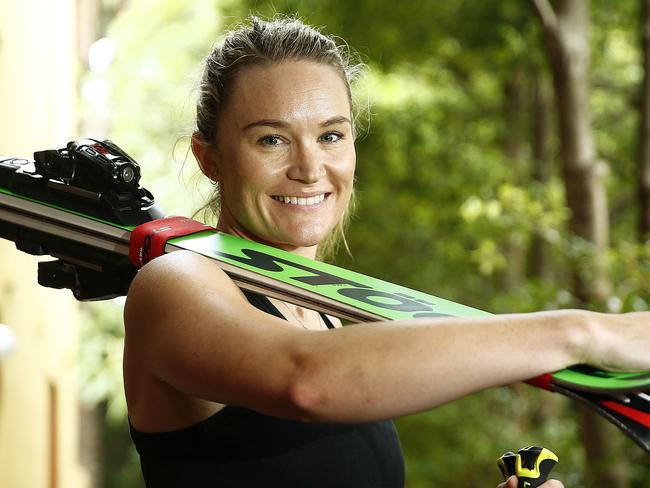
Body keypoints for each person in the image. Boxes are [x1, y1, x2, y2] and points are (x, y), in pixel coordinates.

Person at [123, 16, 650, 487]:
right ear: (209, 158)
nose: (310, 168)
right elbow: (304, 381)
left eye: (331, 136)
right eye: (271, 140)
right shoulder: (174, 285)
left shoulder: (334, 327)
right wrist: (584, 332)